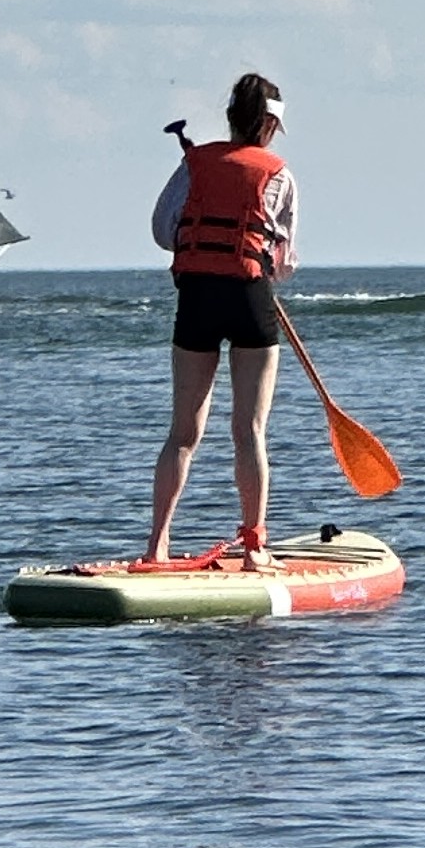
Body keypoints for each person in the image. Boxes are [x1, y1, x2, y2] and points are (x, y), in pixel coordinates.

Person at [148, 70, 299, 565]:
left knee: (182, 433)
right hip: (249, 300)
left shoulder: (194, 163)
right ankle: (256, 548)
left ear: (231, 117)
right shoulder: (279, 174)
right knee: (249, 429)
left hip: (196, 297)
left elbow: (163, 232)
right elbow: (282, 260)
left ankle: (158, 545)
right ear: (272, 127)